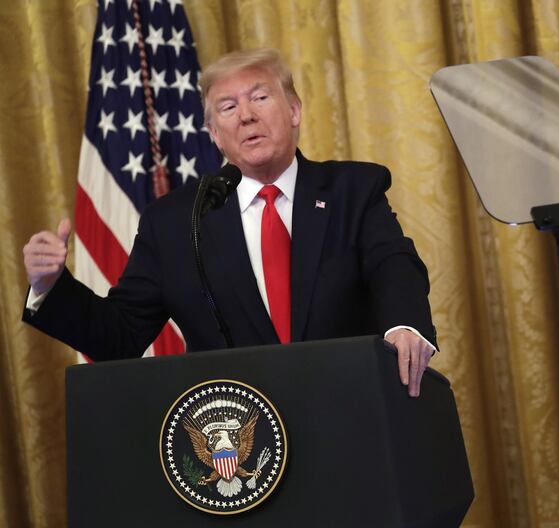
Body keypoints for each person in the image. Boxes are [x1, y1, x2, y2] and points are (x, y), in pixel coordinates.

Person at [22, 48, 436, 397]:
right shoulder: (174, 223)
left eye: (260, 98)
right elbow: (120, 335)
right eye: (228, 107)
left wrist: (405, 326)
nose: (246, 116)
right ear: (214, 133)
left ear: (293, 111)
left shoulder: (353, 189)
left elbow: (394, 265)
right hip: (238, 447)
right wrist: (49, 286)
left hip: (352, 409)